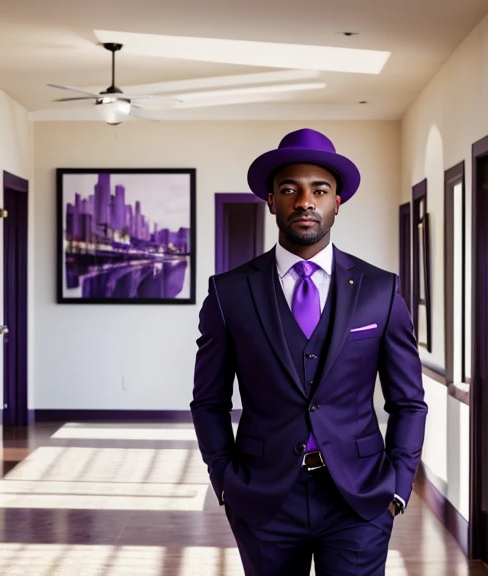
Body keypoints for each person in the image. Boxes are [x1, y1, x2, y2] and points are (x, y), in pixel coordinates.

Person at [190, 128, 427, 575]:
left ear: (337, 201)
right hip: (263, 499)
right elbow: (208, 400)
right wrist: (224, 479)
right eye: (289, 190)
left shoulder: (380, 289)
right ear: (271, 201)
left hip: (359, 497)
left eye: (319, 190)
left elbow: (409, 402)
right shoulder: (229, 292)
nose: (304, 201)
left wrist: (398, 484)